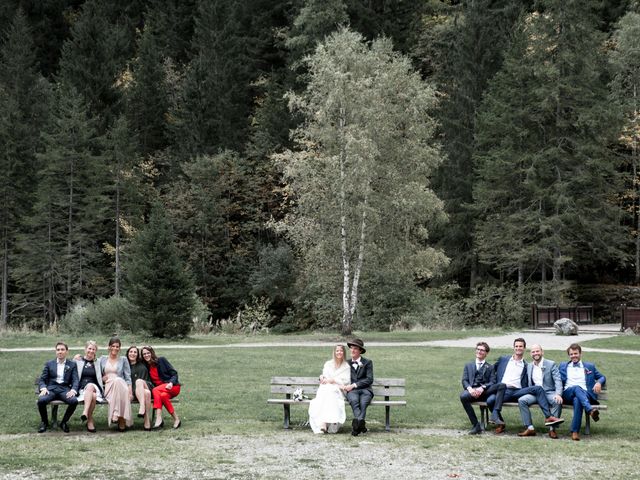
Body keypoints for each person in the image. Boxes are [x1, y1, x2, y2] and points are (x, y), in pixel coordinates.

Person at [486, 337, 563, 434]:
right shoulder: (504, 359)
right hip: (502, 390)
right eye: (516, 346)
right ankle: (500, 423)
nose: (518, 348)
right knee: (490, 400)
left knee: (538, 388)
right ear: (513, 348)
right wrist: (491, 382)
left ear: (524, 349)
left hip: (517, 391)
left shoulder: (526, 365)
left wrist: (558, 393)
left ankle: (548, 418)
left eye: (520, 346)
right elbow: (492, 369)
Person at [559, 343, 606, 441]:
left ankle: (575, 432)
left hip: (584, 395)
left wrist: (599, 383)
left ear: (580, 354)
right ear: (569, 355)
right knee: (576, 387)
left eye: (575, 353)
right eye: (571, 354)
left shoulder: (589, 366)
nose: (573, 356)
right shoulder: (563, 366)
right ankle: (590, 410)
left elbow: (602, 377)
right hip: (567, 394)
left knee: (577, 400)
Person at [517, 344, 564, 438]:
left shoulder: (551, 364)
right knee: (522, 400)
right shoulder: (529, 366)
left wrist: (558, 394)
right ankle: (530, 428)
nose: (535, 353)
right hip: (535, 393)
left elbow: (558, 380)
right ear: (531, 354)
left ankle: (552, 429)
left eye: (537, 351)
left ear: (542, 352)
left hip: (548, 392)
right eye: (533, 352)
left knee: (557, 401)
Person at [36, 341, 79, 433]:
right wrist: (43, 388)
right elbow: (42, 379)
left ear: (67, 351)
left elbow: (75, 380)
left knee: (74, 401)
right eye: (58, 350)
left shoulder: (72, 365)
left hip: (64, 390)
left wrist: (73, 390)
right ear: (56, 352)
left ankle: (64, 422)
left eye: (62, 349)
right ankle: (44, 422)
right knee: (41, 400)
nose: (60, 352)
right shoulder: (49, 364)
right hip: (51, 389)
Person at [308, 344, 351, 434]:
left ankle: (326, 422)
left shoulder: (346, 366)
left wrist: (333, 380)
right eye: (337, 351)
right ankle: (323, 423)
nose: (339, 352)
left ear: (344, 353)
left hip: (339, 391)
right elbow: (324, 379)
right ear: (334, 352)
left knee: (330, 391)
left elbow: (346, 382)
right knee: (326, 390)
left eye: (341, 351)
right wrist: (323, 378)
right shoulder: (328, 364)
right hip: (326, 389)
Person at [459, 341, 500, 434]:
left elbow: (493, 382)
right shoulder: (468, 365)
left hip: (484, 392)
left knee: (490, 397)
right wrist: (470, 389)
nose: (479, 351)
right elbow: (464, 380)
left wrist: (482, 388)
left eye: (482, 350)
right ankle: (476, 425)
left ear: (486, 353)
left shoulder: (490, 367)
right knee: (463, 396)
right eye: (478, 349)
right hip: (471, 391)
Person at [141, 345, 181, 429]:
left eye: (148, 353)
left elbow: (174, 373)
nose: (146, 355)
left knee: (155, 390)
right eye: (144, 354)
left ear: (152, 353)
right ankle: (176, 419)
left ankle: (158, 417)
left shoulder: (161, 360)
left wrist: (171, 382)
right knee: (163, 396)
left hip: (172, 387)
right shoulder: (147, 366)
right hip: (161, 391)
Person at [99, 336, 133, 431]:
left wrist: (130, 392)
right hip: (108, 387)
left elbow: (127, 377)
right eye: (113, 346)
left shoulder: (123, 360)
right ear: (109, 347)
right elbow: (92, 363)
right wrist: (102, 378)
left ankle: (117, 415)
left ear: (119, 348)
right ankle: (120, 419)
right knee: (116, 381)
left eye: (117, 346)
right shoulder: (102, 359)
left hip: (122, 386)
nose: (115, 348)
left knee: (118, 380)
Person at [342, 338, 373, 436]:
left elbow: (369, 379)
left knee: (364, 403)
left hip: (365, 390)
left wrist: (354, 385)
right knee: (354, 402)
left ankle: (357, 425)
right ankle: (361, 425)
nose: (352, 350)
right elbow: (337, 374)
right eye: (351, 348)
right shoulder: (346, 363)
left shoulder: (367, 362)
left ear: (360, 351)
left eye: (355, 348)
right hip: (352, 391)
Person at [76, 340, 104, 433]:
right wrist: (74, 358)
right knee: (93, 396)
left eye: (93, 349)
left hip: (95, 387)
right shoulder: (78, 361)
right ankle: (90, 419)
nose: (91, 351)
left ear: (96, 351)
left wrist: (106, 378)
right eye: (89, 348)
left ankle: (85, 412)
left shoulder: (98, 362)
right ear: (85, 349)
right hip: (82, 390)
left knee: (90, 386)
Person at [126, 346, 153, 431]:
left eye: (135, 352)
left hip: (146, 384)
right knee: (147, 393)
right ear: (128, 353)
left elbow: (150, 358)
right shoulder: (125, 365)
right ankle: (147, 420)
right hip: (134, 391)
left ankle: (142, 407)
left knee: (139, 382)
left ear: (138, 355)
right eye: (131, 351)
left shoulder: (142, 363)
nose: (133, 354)